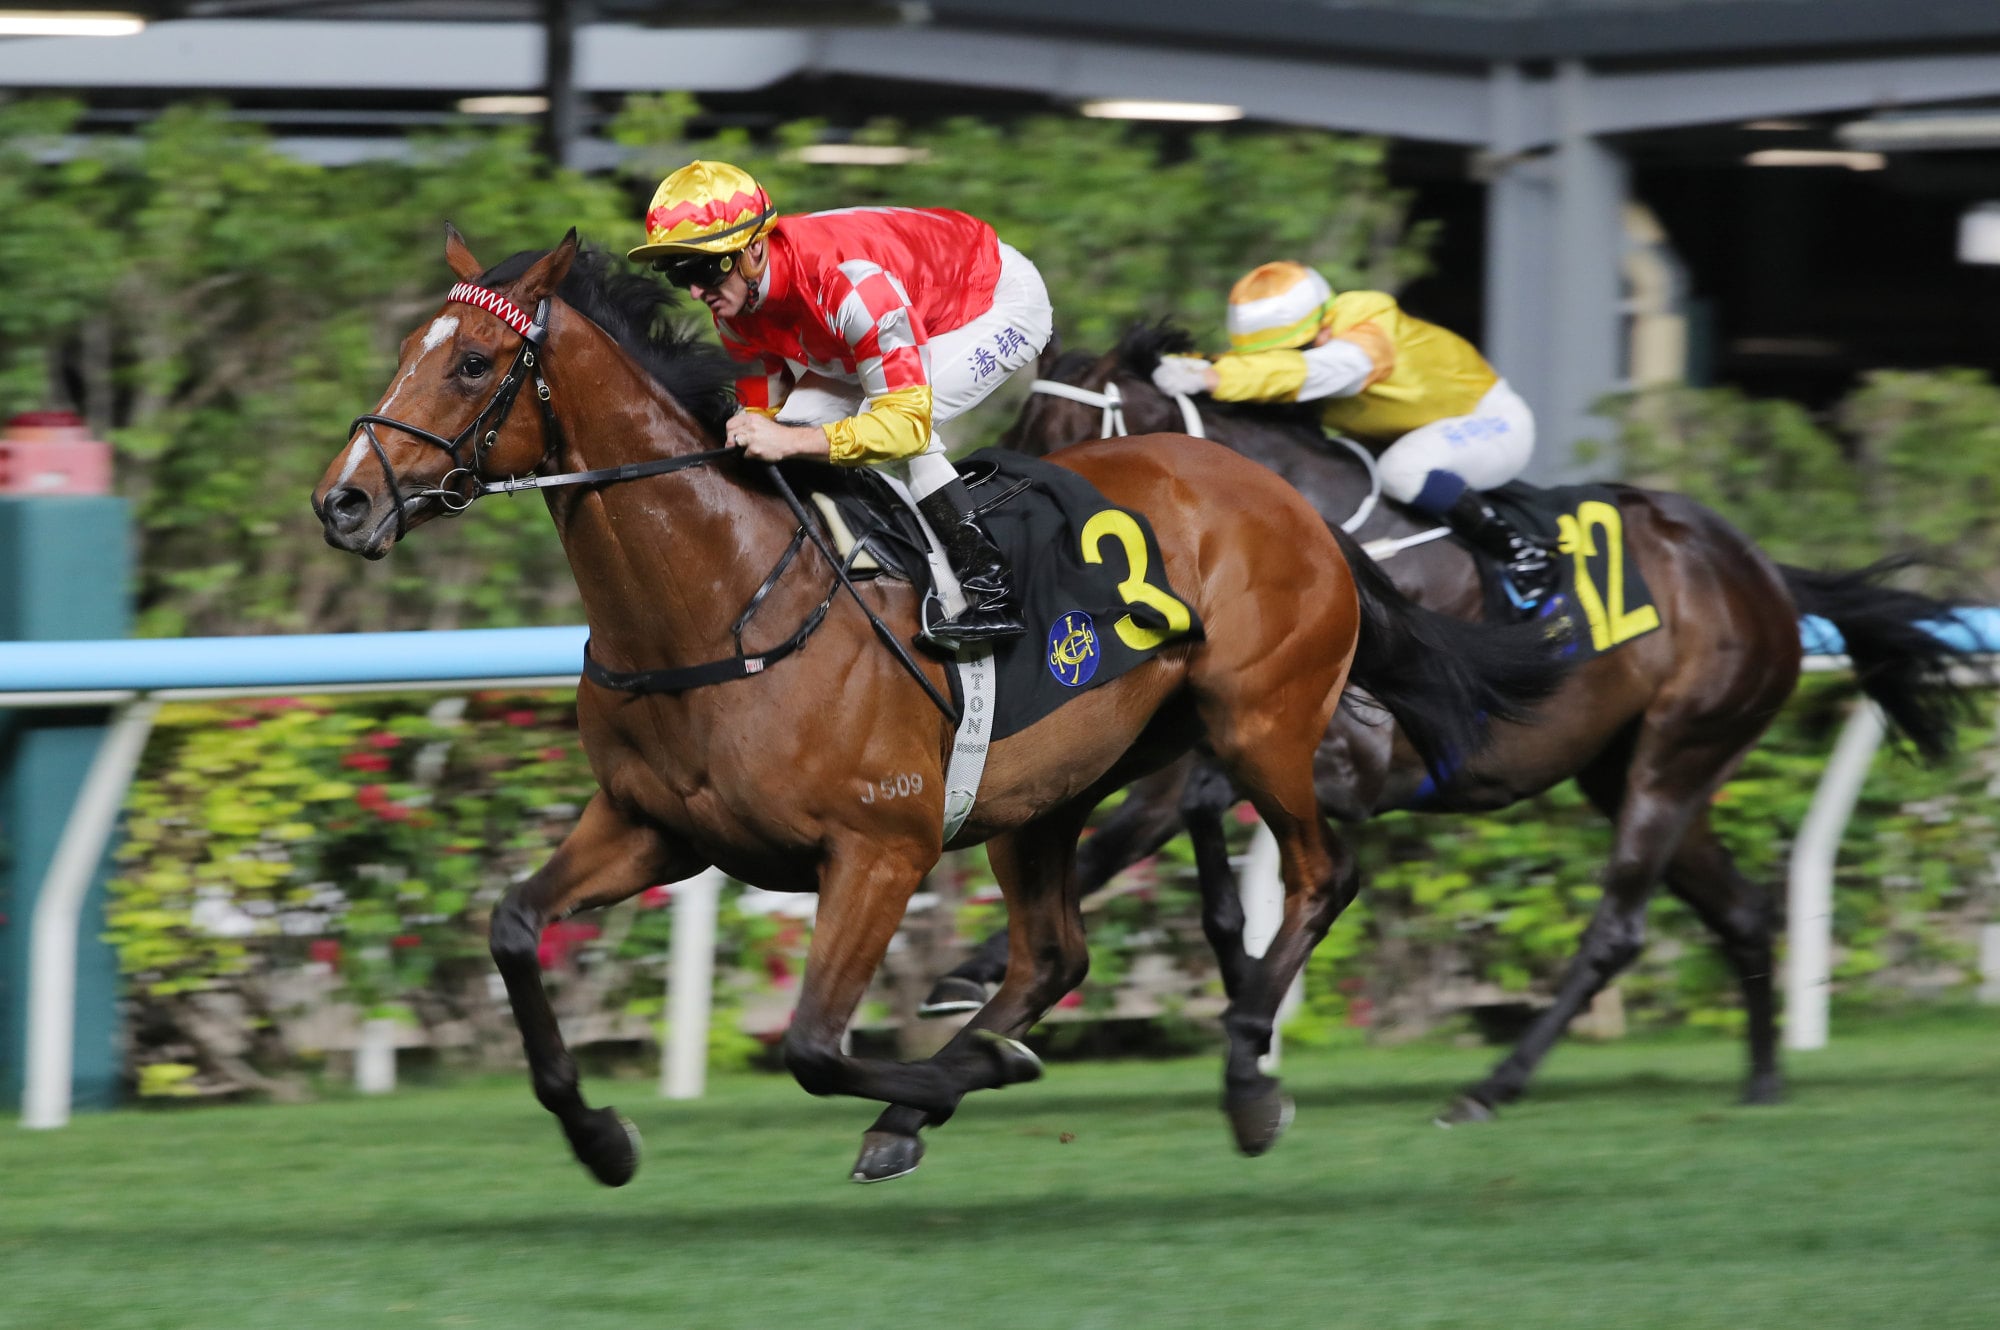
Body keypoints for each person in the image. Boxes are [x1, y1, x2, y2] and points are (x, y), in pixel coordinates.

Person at [629, 159, 1054, 646]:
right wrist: (768, 431)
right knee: (789, 432)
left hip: (994, 302)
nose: (696, 291)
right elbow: (765, 410)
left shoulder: (847, 286)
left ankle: (993, 595)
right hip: (886, 313)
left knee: (893, 432)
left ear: (752, 251)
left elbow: (903, 426)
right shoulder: (734, 306)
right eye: (678, 275)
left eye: (705, 269)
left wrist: (791, 440)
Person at [1151, 262, 1556, 610]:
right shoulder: (1300, 343)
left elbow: (1318, 372)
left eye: (1297, 347)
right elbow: (1252, 369)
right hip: (1405, 435)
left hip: (1494, 424)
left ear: (1324, 327)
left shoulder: (1368, 326)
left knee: (1403, 470)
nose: (1284, 359)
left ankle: (1523, 552)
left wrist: (1215, 376)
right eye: (1269, 355)